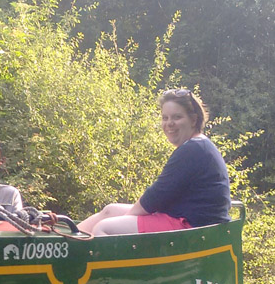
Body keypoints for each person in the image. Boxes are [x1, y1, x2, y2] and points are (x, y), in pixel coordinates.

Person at [77, 89, 230, 236]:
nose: (169, 123)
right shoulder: (198, 145)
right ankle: (68, 241)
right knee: (110, 210)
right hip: (183, 218)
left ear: (193, 120)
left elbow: (155, 196)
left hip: (191, 225)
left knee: (104, 228)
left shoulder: (192, 149)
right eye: (165, 118)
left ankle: (87, 252)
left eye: (177, 117)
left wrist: (127, 218)